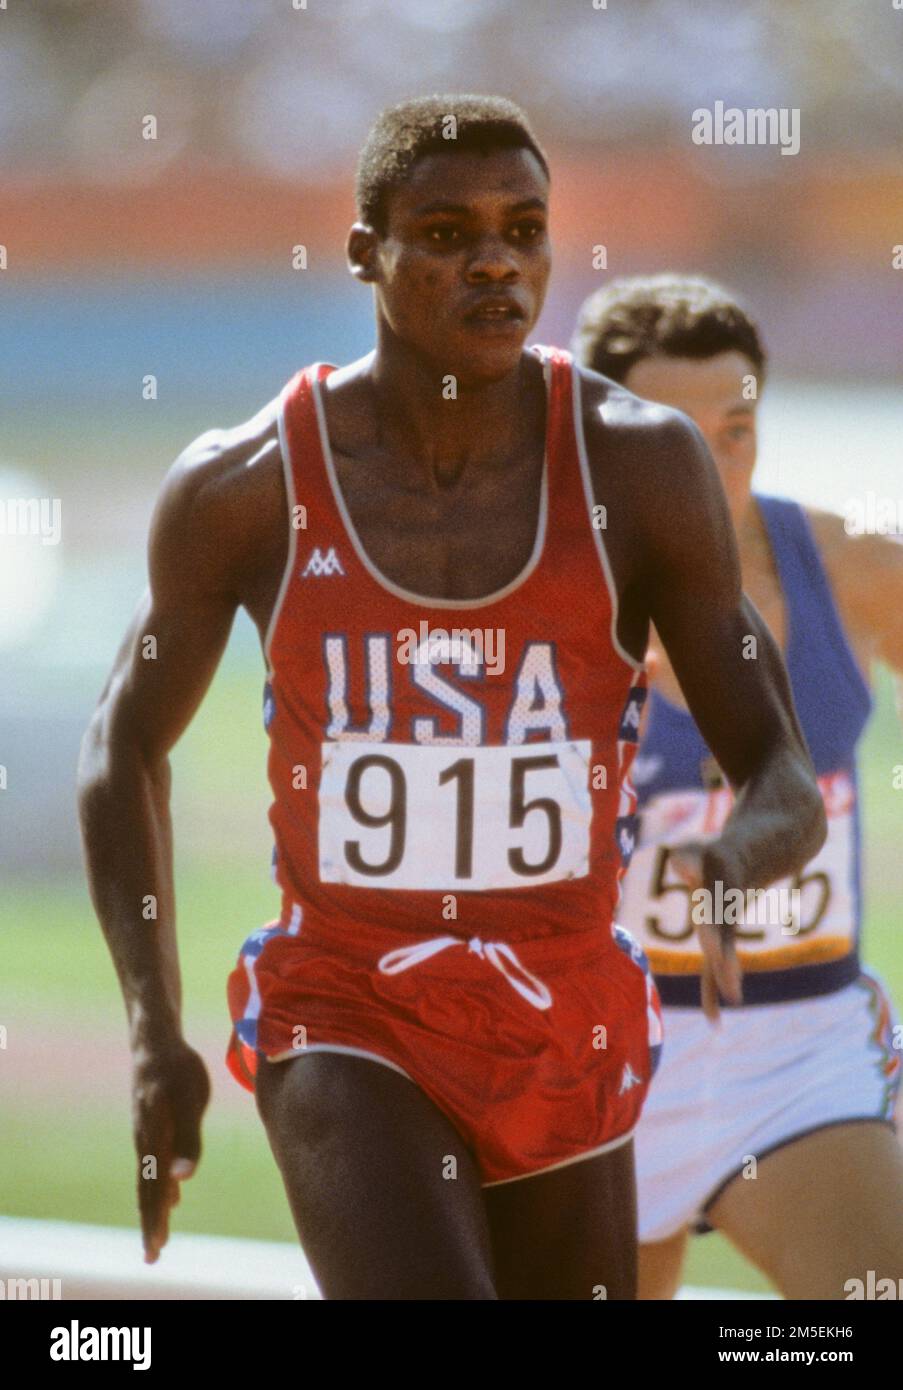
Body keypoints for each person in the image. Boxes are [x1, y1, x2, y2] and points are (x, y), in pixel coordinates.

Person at [77, 101, 825, 1301]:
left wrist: (736, 860)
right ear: (363, 249)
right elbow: (122, 741)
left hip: (562, 1014)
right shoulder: (249, 483)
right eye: (443, 231)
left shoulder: (637, 466)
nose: (493, 259)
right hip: (348, 1003)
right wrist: (152, 1029)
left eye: (523, 229)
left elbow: (779, 767)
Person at [572, 272, 903, 1300]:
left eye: (736, 428)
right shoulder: (542, 598)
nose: (712, 464)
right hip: (596, 1063)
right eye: (672, 433)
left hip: (796, 1047)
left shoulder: (847, 565)